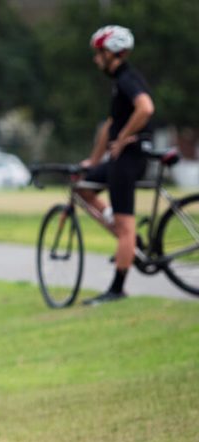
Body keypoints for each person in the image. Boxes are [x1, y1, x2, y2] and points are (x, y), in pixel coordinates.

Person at [76, 25, 154, 305]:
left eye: (100, 53)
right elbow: (109, 126)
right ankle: (130, 243)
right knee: (82, 188)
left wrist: (122, 139)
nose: (96, 59)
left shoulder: (127, 79)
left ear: (113, 53)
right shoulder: (119, 81)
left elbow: (146, 108)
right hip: (119, 159)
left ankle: (118, 288)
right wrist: (94, 161)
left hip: (129, 160)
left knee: (125, 226)